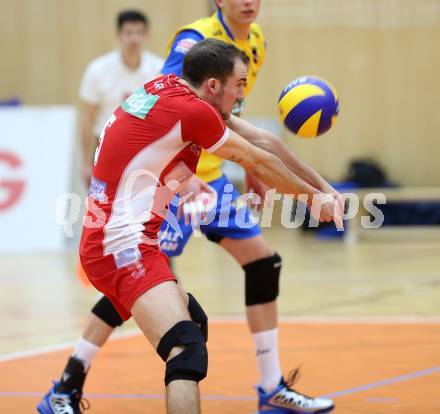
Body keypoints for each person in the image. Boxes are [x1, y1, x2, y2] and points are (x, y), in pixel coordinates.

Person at [39, 2, 341, 413]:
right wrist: (311, 200)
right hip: (127, 234)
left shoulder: (206, 77)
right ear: (213, 84)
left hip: (153, 209)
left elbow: (260, 143)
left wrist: (323, 187)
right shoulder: (193, 47)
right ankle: (66, 386)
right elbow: (254, 157)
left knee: (224, 295)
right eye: (239, 85)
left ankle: (270, 388)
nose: (241, 96)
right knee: (185, 348)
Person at [79, 9, 163, 183]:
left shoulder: (158, 70)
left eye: (139, 33)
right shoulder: (98, 70)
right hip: (106, 146)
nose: (134, 39)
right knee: (102, 206)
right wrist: (86, 163)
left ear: (146, 35)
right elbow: (87, 118)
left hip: (145, 149)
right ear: (119, 34)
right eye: (129, 33)